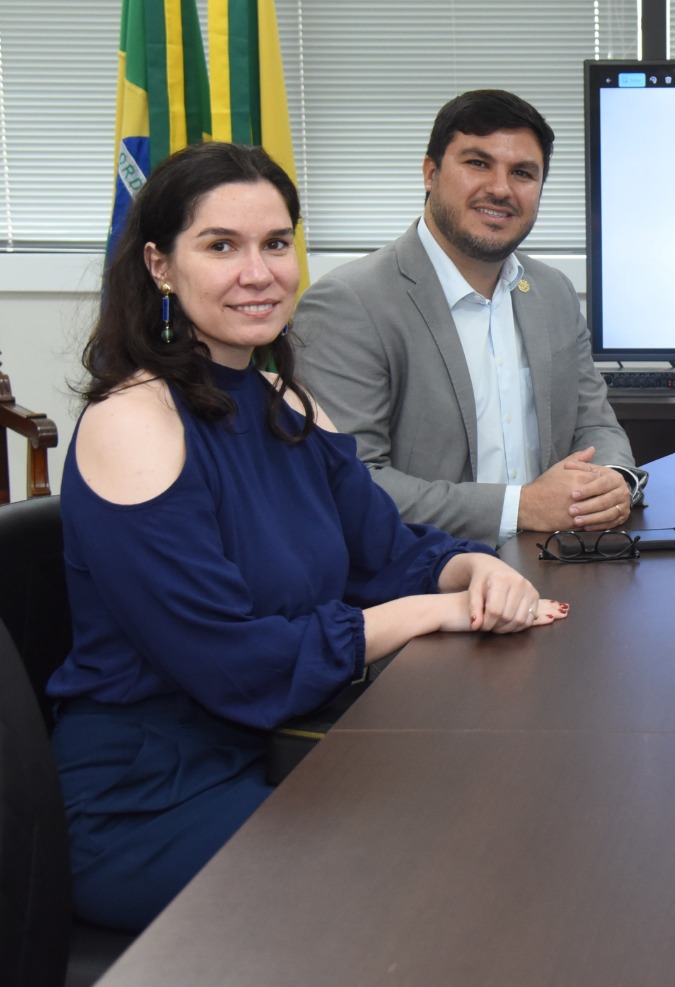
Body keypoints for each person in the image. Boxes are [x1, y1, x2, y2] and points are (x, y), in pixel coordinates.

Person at [48, 142, 568, 932]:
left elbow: (388, 556)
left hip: (282, 747)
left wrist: (469, 568)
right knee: (427, 890)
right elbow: (232, 661)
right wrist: (432, 612)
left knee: (508, 818)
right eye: (221, 246)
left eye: (276, 243)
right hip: (148, 797)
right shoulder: (134, 420)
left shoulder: (284, 400)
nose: (258, 272)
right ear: (159, 264)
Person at [293, 90, 642, 545]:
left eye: (522, 173)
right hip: (423, 581)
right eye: (478, 163)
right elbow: (350, 481)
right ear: (430, 173)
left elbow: (594, 424)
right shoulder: (348, 303)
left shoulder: (552, 291)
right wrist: (523, 507)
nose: (500, 188)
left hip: (556, 561)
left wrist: (616, 479)